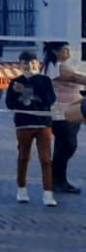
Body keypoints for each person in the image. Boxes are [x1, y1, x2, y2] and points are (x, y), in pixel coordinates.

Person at [6, 51, 56, 205]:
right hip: (24, 124)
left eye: (33, 63)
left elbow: (49, 100)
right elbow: (10, 104)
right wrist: (15, 93)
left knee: (46, 159)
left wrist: (28, 89)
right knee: (24, 157)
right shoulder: (15, 82)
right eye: (26, 63)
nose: (29, 66)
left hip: (43, 124)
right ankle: (22, 189)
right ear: (20, 65)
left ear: (38, 64)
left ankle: (48, 193)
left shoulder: (45, 80)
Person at [45, 44, 84, 194]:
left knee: (64, 146)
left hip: (71, 109)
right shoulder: (56, 67)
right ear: (55, 51)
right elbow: (73, 77)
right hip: (62, 111)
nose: (68, 52)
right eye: (64, 49)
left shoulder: (59, 65)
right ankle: (57, 180)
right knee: (68, 145)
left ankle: (58, 180)